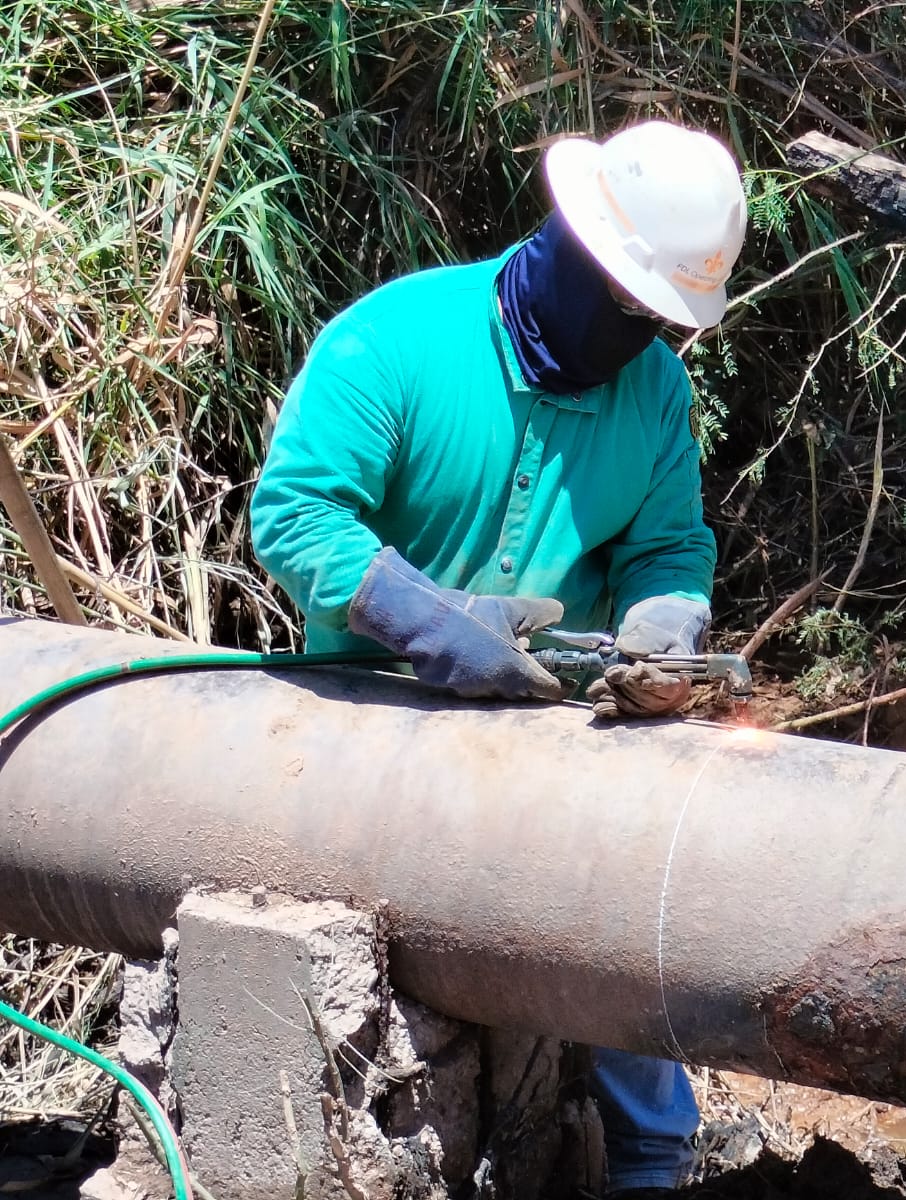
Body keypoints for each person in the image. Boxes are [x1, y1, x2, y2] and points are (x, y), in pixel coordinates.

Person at [249, 120, 748, 1197]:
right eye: (634, 309)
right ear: (574, 245)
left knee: (621, 884)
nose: (646, 338)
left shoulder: (654, 393)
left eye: (665, 321)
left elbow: (668, 545)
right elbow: (293, 514)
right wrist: (425, 616)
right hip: (370, 719)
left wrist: (665, 619)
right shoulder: (397, 341)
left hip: (550, 733)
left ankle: (651, 1157)